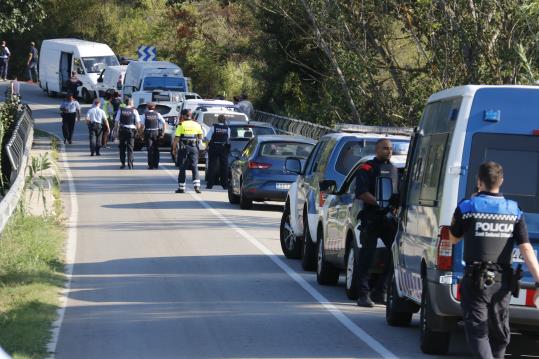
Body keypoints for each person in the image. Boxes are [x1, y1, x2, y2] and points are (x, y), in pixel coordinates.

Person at [449, 162, 539, 359]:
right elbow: (525, 248)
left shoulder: (467, 206)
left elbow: (453, 238)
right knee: (500, 334)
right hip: (502, 282)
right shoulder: (514, 210)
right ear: (501, 181)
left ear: (479, 181)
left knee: (477, 332)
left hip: (475, 280)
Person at [354, 138, 398, 307]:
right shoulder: (367, 168)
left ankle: (382, 290)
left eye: (390, 148)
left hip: (388, 219)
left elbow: (397, 192)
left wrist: (394, 207)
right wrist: (380, 203)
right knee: (366, 256)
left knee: (396, 253)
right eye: (385, 148)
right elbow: (362, 192)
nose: (389, 151)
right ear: (377, 150)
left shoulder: (394, 169)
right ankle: (363, 294)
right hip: (372, 218)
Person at [173, 109, 203, 193]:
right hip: (194, 147)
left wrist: (174, 149)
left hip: (184, 148)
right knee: (194, 166)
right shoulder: (197, 124)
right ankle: (197, 186)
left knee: (182, 167)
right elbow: (200, 136)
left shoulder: (181, 125)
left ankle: (181, 188)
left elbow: (176, 138)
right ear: (191, 115)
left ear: (183, 116)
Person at [114, 99, 141, 169]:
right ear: (130, 103)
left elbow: (116, 122)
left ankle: (123, 163)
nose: (133, 104)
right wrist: (139, 131)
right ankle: (130, 164)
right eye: (133, 103)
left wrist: (115, 131)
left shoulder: (121, 110)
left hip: (122, 130)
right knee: (130, 148)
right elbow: (138, 123)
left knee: (122, 148)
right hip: (131, 131)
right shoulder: (134, 110)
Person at [205, 114, 230, 189]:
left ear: (218, 120)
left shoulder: (213, 127)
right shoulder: (227, 128)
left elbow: (207, 138)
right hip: (223, 148)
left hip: (214, 147)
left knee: (212, 166)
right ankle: (225, 185)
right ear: (224, 120)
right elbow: (228, 138)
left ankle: (210, 184)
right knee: (224, 166)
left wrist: (206, 144)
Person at [140, 102, 166, 169]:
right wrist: (163, 132)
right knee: (156, 149)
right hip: (156, 132)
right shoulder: (157, 114)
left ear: (147, 107)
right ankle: (156, 164)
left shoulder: (144, 115)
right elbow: (164, 123)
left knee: (150, 149)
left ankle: (151, 165)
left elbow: (142, 126)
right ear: (154, 107)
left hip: (148, 132)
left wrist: (141, 134)